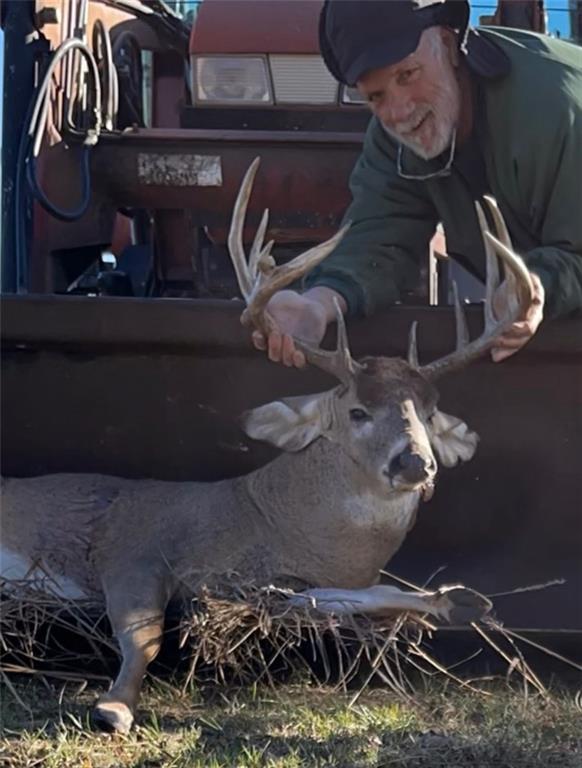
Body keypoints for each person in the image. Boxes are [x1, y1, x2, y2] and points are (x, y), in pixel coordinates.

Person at [251, 0, 582, 367]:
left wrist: (537, 284)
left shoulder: (557, 109)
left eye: (407, 75)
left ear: (449, 45)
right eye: (375, 96)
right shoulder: (393, 140)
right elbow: (378, 239)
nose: (398, 112)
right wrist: (317, 304)